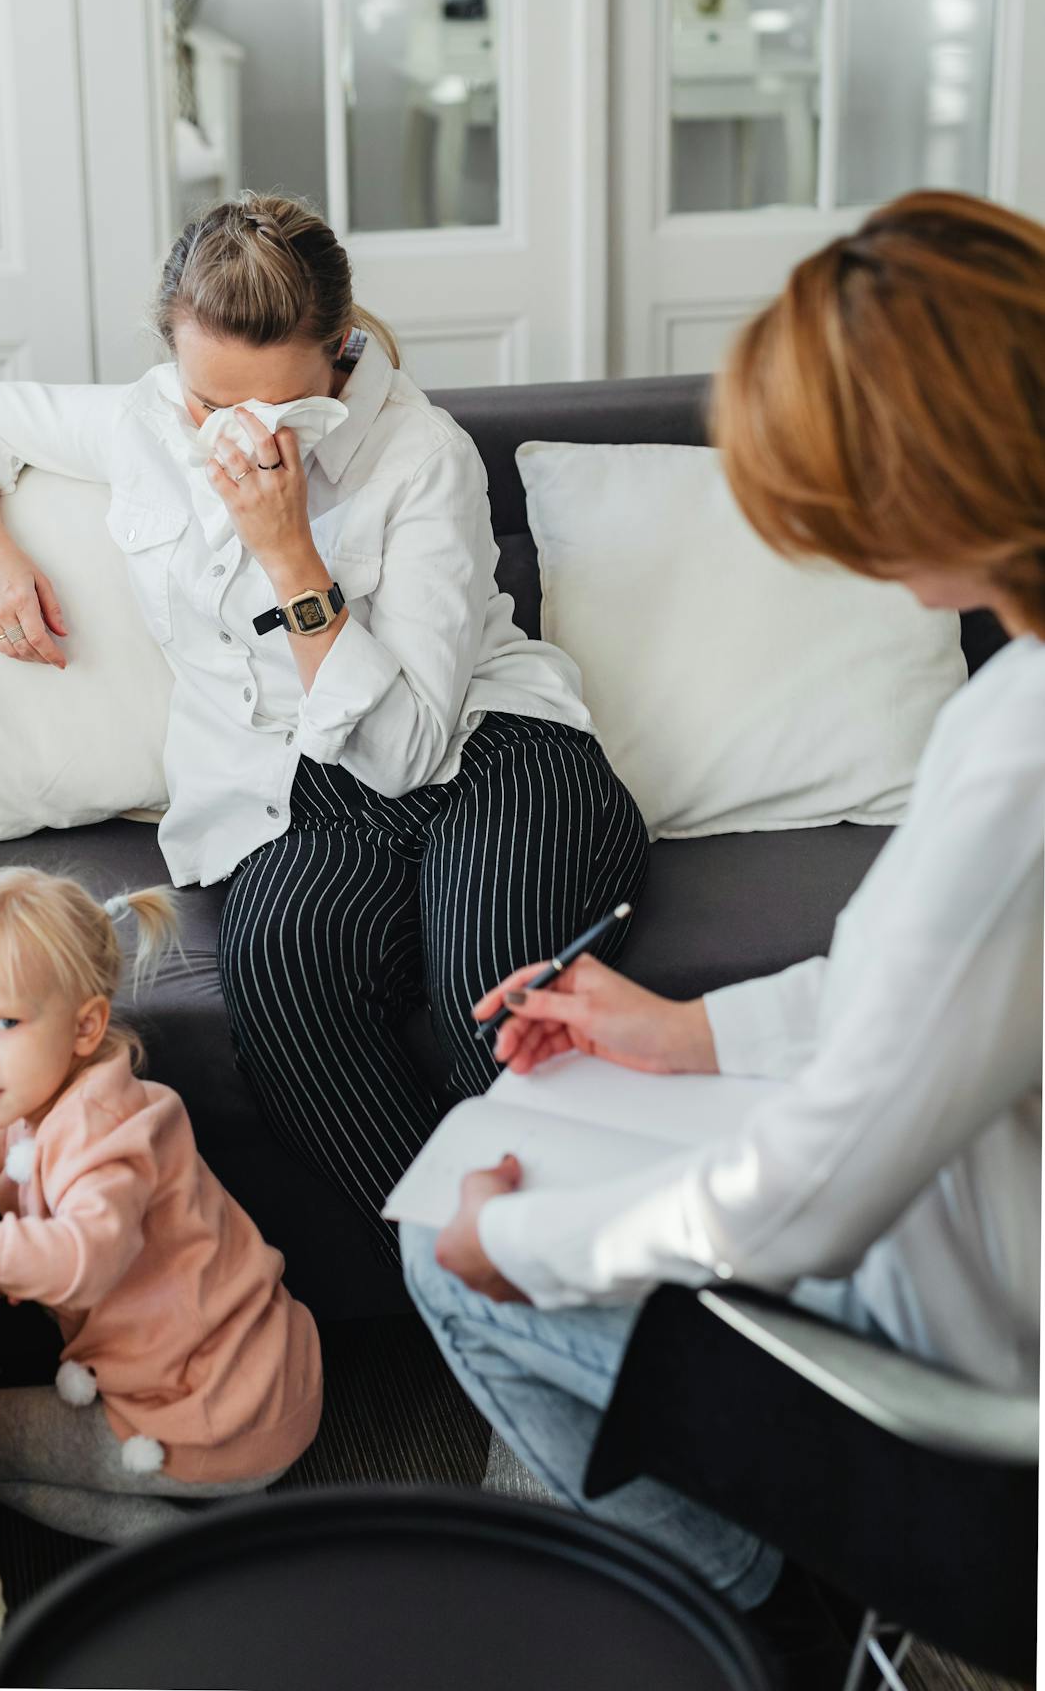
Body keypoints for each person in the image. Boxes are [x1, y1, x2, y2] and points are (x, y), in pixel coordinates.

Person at [402, 189, 1045, 1625]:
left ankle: (743, 1619)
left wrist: (509, 1244)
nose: (842, 549)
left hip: (985, 1405)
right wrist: (692, 1032)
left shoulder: (1021, 751)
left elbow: (806, 1198)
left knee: (439, 1256)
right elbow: (971, 983)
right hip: (983, 1255)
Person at [0, 194, 649, 1259]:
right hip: (296, 792)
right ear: (173, 355)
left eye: (284, 410)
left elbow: (410, 747)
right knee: (286, 988)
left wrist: (293, 558)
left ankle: (616, 1287)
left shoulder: (422, 455)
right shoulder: (145, 421)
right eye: (209, 401)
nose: (240, 436)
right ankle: (487, 1274)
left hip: (485, 750)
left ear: (339, 353)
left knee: (495, 1004)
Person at [0, 865, 324, 1543]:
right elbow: (32, 1198)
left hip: (213, 1417)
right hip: (262, 1370)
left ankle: (192, 1550)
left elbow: (83, 1261)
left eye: (2, 1022)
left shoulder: (97, 1134)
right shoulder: (55, 1100)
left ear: (86, 1026)